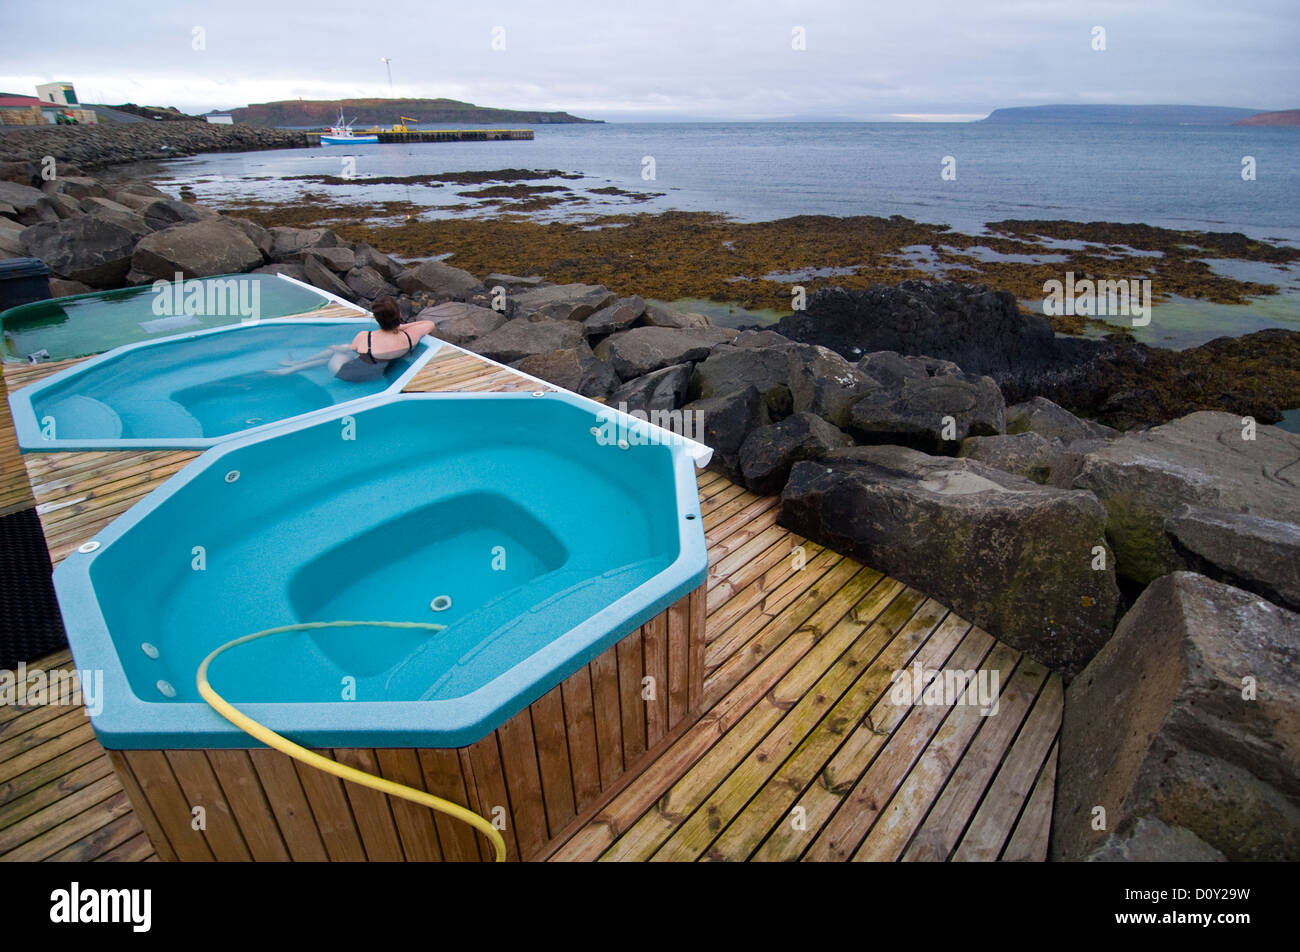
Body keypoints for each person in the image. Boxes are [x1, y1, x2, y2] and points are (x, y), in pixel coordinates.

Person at [269, 296, 436, 379]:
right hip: (378, 372)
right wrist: (399, 327)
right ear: (399, 314)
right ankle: (293, 366)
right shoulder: (410, 336)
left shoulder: (366, 337)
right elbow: (429, 323)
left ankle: (294, 366)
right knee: (346, 352)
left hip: (349, 376)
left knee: (338, 351)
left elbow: (346, 349)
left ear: (376, 319)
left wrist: (334, 347)